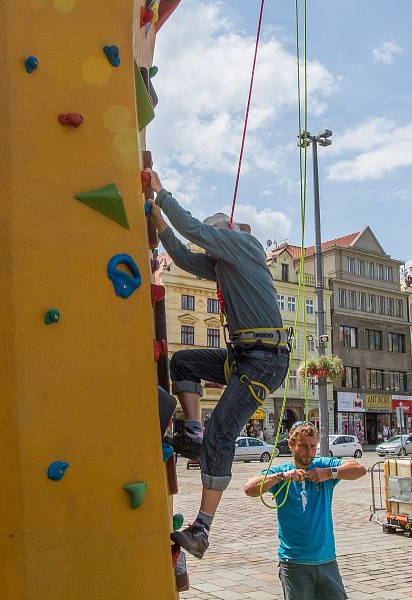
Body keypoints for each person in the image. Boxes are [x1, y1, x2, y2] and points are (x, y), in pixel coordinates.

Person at [145, 169, 290, 560]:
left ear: (223, 237)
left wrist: (161, 192)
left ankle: (202, 530)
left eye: (214, 246)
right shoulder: (223, 265)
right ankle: (192, 431)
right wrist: (156, 218)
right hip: (243, 356)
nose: (210, 255)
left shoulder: (243, 245)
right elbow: (182, 254)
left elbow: (193, 230)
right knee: (185, 362)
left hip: (264, 360)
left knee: (222, 431)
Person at [243, 423, 366, 599]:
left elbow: (359, 470)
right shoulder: (282, 472)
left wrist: (329, 473)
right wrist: (281, 477)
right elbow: (249, 488)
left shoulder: (322, 466)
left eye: (312, 447)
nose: (309, 452)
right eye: (303, 446)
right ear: (291, 445)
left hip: (327, 560)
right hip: (294, 562)